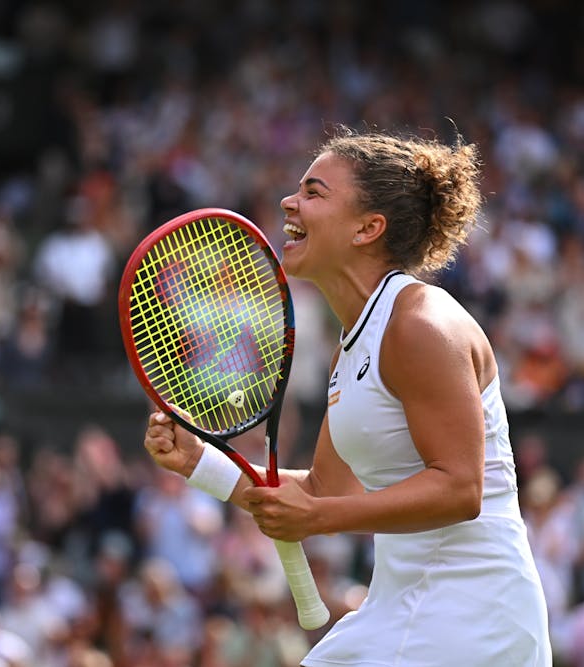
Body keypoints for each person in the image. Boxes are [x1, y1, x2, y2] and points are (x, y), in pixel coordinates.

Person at [143, 127, 552, 665]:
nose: (290, 201)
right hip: (404, 608)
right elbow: (322, 489)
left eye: (314, 192)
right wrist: (199, 462)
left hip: (472, 615)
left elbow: (460, 488)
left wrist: (316, 519)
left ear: (368, 228)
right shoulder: (354, 344)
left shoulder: (421, 325)